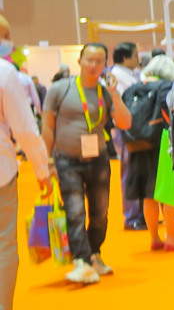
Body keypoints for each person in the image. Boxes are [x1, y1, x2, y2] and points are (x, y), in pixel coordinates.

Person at [41, 43, 132, 285]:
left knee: (100, 213)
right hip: (66, 159)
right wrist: (47, 161)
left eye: (99, 61)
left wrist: (114, 93)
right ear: (79, 61)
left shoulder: (105, 93)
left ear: (105, 65)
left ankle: (94, 254)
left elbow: (125, 122)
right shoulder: (60, 89)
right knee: (75, 210)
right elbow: (47, 127)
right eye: (89, 60)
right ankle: (81, 260)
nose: (93, 65)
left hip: (98, 160)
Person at [0, 61, 51, 310]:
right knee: (3, 244)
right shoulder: (4, 72)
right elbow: (25, 128)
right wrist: (42, 170)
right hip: (1, 172)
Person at [123, 56, 174, 252]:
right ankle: (172, 238)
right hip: (162, 140)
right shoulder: (167, 87)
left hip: (136, 142)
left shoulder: (133, 89)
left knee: (148, 194)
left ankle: (154, 237)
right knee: (168, 192)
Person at [111, 42, 146, 230]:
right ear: (125, 58)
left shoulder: (131, 74)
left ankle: (139, 214)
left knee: (138, 171)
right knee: (129, 173)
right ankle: (131, 217)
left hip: (136, 127)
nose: (137, 59)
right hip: (125, 129)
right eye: (135, 55)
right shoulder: (116, 76)